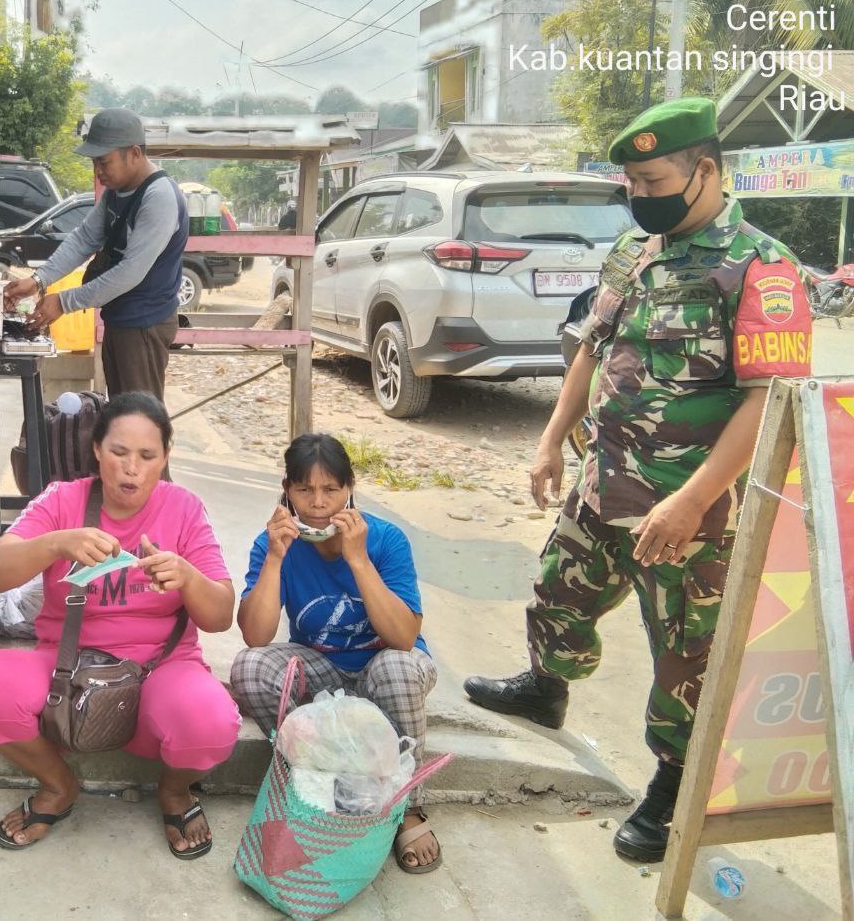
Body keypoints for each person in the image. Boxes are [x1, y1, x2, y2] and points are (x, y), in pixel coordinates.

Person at [463, 97, 813, 863]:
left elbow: (769, 401)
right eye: (631, 181)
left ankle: (675, 781)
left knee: (686, 650)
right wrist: (551, 442)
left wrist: (693, 500)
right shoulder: (633, 250)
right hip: (604, 480)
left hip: (690, 509)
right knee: (558, 590)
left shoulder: (761, 267)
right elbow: (592, 347)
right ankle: (545, 688)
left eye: (653, 180)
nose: (639, 194)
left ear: (705, 170)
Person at [0, 392, 241, 859]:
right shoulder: (62, 500)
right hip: (66, 670)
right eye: (119, 452)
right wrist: (55, 544)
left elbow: (220, 616)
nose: (132, 468)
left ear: (165, 457)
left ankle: (174, 792)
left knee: (211, 722)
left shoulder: (185, 508)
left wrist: (188, 577)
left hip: (161, 670)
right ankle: (59, 785)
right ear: (96, 449)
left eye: (147, 456)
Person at [230, 433, 442, 874]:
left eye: (331, 489)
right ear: (287, 490)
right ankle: (313, 779)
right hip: (323, 671)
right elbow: (255, 635)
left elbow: (404, 638)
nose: (318, 503)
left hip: (383, 667)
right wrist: (274, 559)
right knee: (250, 667)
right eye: (304, 489)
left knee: (398, 668)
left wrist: (358, 559)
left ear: (350, 488)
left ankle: (407, 807)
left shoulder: (386, 540)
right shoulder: (274, 543)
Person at [5, 108, 188, 401]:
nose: (98, 172)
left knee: (140, 417)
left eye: (104, 161)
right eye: (94, 162)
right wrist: (38, 280)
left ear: (134, 153)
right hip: (121, 317)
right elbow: (84, 238)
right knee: (122, 411)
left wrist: (64, 301)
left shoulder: (159, 197)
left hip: (144, 324)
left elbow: (130, 272)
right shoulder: (118, 190)